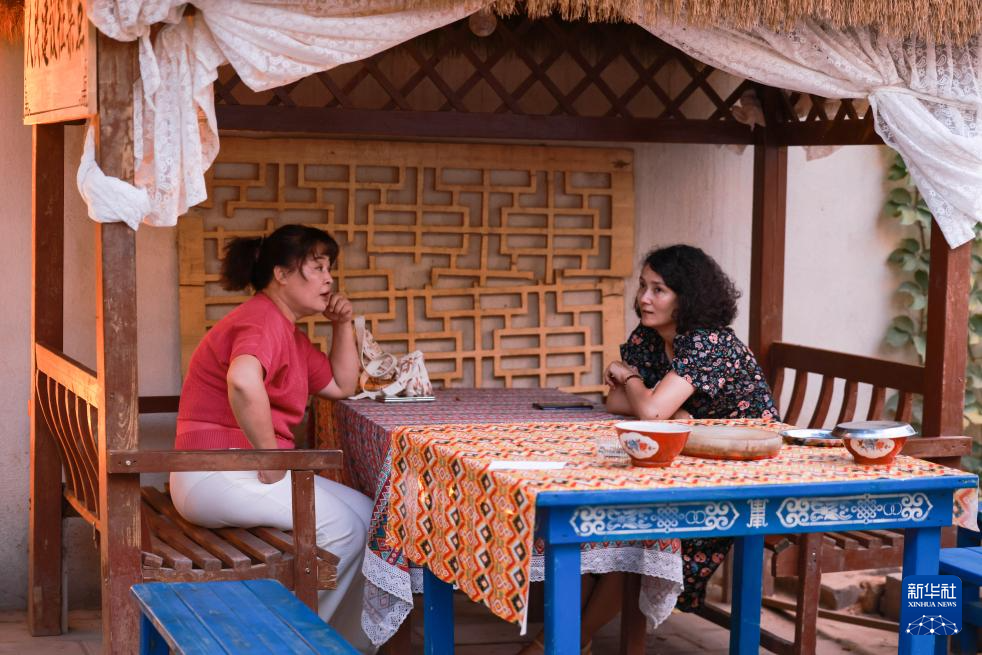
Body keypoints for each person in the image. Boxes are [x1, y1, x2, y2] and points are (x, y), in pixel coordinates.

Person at [169, 224, 375, 652]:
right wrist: (269, 458)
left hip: (238, 471)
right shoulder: (261, 319)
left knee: (370, 517)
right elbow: (243, 381)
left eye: (329, 269)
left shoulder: (289, 334)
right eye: (317, 268)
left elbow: (341, 385)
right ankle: (290, 645)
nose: (329, 279)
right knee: (343, 531)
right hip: (213, 473)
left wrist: (343, 324)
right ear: (281, 274)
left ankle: (343, 646)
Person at [606, 243, 779, 611]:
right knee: (614, 529)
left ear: (686, 298)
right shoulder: (649, 335)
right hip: (689, 460)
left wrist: (629, 376)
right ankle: (574, 636)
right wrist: (662, 408)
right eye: (643, 286)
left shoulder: (708, 343)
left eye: (658, 290)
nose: (644, 298)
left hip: (742, 473)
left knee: (636, 540)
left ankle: (563, 639)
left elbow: (649, 412)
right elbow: (617, 403)